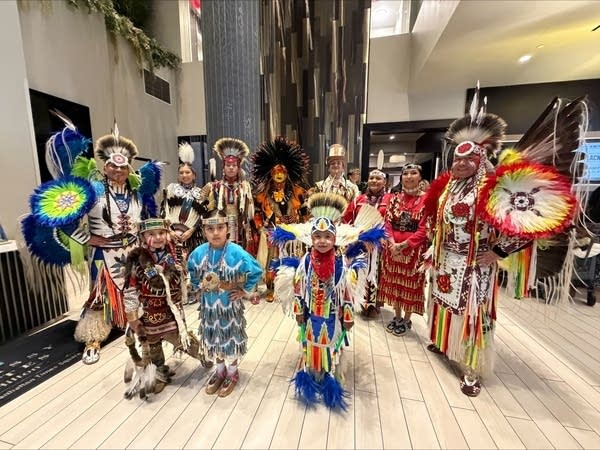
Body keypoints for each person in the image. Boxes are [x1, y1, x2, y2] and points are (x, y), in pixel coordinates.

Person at [425, 92, 585, 397]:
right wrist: (435, 247)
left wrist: (498, 251)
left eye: (466, 158)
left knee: (473, 314)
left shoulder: (496, 187)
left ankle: (472, 369)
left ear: (480, 158)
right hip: (447, 262)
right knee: (445, 306)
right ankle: (445, 343)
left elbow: (527, 224)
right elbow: (439, 222)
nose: (459, 163)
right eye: (456, 158)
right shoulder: (448, 188)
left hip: (475, 267)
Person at [271, 193, 383, 410]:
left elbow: (346, 293)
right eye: (317, 237)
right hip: (311, 313)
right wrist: (298, 310)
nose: (322, 241)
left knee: (331, 343)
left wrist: (348, 316)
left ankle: (329, 372)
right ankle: (313, 370)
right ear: (311, 239)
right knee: (311, 343)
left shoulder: (340, 264)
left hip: (332, 315)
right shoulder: (305, 262)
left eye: (327, 237)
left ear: (335, 239)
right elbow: (298, 288)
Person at [73, 127, 162, 365]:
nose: (119, 171)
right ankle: (93, 338)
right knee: (99, 295)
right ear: (105, 166)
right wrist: (87, 238)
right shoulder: (92, 191)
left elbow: (143, 222)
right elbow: (63, 220)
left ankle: (131, 321)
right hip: (104, 254)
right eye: (114, 166)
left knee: (134, 290)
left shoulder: (137, 193)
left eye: (124, 167)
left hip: (132, 252)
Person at [121, 218, 210, 398]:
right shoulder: (137, 260)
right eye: (152, 234)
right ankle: (159, 372)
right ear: (143, 237)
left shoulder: (174, 253)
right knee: (153, 342)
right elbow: (130, 290)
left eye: (161, 233)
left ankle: (202, 353)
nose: (158, 237)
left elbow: (183, 276)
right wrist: (132, 317)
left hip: (173, 308)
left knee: (179, 336)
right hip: (150, 310)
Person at [188, 210, 263, 397]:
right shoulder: (198, 253)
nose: (215, 233)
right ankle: (219, 370)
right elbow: (193, 273)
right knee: (213, 338)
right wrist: (199, 287)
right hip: (209, 309)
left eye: (220, 228)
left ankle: (232, 372)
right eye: (210, 229)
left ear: (227, 229)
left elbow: (256, 270)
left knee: (230, 338)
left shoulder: (236, 252)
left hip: (229, 307)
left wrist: (244, 291)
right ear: (204, 231)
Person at [251, 136, 310, 297]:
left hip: (293, 231)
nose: (278, 175)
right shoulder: (262, 194)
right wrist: (260, 228)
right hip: (273, 232)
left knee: (292, 257)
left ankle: (294, 287)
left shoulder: (298, 191)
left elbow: (304, 211)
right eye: (275, 171)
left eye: (282, 171)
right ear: (270, 173)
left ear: (287, 173)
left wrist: (305, 227)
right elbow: (257, 213)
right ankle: (271, 288)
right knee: (273, 260)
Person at [378, 164, 428, 335]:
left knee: (410, 285)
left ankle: (407, 319)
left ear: (420, 177)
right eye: (405, 173)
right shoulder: (394, 198)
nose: (408, 176)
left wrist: (403, 245)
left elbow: (424, 229)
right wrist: (392, 243)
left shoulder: (427, 200)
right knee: (394, 283)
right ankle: (397, 316)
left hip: (413, 253)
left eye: (413, 173)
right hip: (392, 250)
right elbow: (388, 222)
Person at [342, 169, 392, 317]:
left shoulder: (390, 199)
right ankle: (358, 302)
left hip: (380, 245)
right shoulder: (359, 200)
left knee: (377, 273)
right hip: (359, 243)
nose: (374, 181)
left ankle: (373, 305)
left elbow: (391, 222)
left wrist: (377, 238)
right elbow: (347, 220)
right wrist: (360, 236)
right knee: (359, 271)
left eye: (378, 178)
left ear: (385, 182)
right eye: (371, 178)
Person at [201, 138, 254, 248]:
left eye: (234, 166)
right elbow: (199, 204)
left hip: (239, 227)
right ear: (223, 168)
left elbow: (250, 212)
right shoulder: (214, 186)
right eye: (228, 165)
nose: (231, 168)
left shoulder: (245, 187)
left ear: (238, 168)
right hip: (219, 227)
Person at [162, 143, 207, 260]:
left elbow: (203, 217)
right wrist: (170, 231)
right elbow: (164, 211)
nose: (184, 175)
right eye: (181, 173)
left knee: (192, 264)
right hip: (172, 236)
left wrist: (191, 231)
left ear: (194, 175)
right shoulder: (171, 189)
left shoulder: (200, 193)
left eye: (187, 172)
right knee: (174, 265)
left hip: (192, 237)